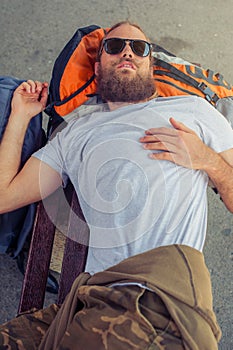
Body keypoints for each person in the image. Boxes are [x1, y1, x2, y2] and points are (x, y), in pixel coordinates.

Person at [0, 21, 233, 349]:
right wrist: (21, 116)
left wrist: (206, 159)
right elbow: (4, 195)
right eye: (114, 46)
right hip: (91, 301)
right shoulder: (76, 133)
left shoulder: (195, 112)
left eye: (139, 48)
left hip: (161, 297)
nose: (127, 52)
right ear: (97, 66)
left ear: (151, 64)